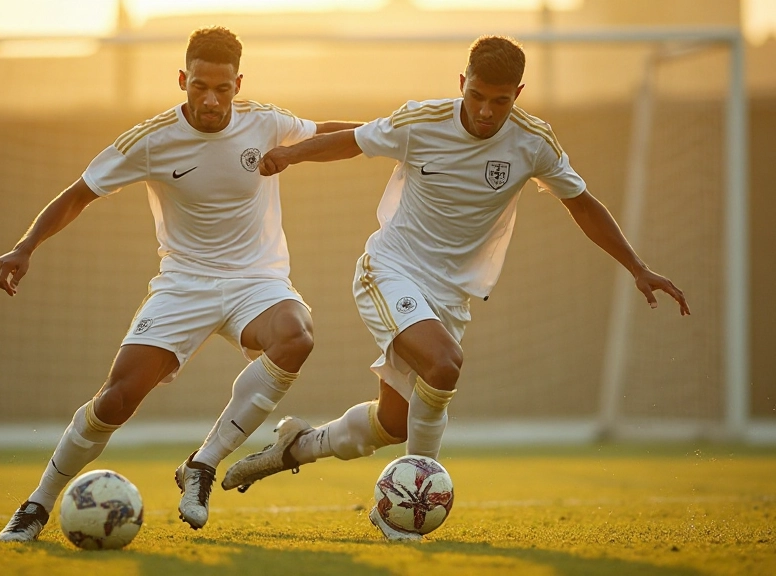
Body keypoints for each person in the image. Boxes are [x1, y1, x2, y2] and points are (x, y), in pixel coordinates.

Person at [220, 35, 691, 541]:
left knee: (394, 423)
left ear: (518, 94)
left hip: (450, 295)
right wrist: (290, 155)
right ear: (461, 83)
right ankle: (413, 504)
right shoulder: (421, 121)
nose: (486, 111)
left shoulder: (533, 141)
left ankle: (294, 447)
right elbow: (353, 140)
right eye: (478, 96)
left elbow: (581, 203)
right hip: (391, 268)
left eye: (501, 101)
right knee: (444, 364)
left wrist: (637, 267)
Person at [0, 26, 361, 541]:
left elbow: (325, 135)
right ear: (182, 80)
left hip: (258, 281)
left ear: (238, 83)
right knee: (115, 401)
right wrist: (26, 245)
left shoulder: (265, 122)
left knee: (296, 334)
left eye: (223, 88)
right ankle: (37, 504)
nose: (211, 99)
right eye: (200, 86)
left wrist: (390, 133)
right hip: (183, 285)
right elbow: (79, 194)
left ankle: (203, 465)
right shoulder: (151, 139)